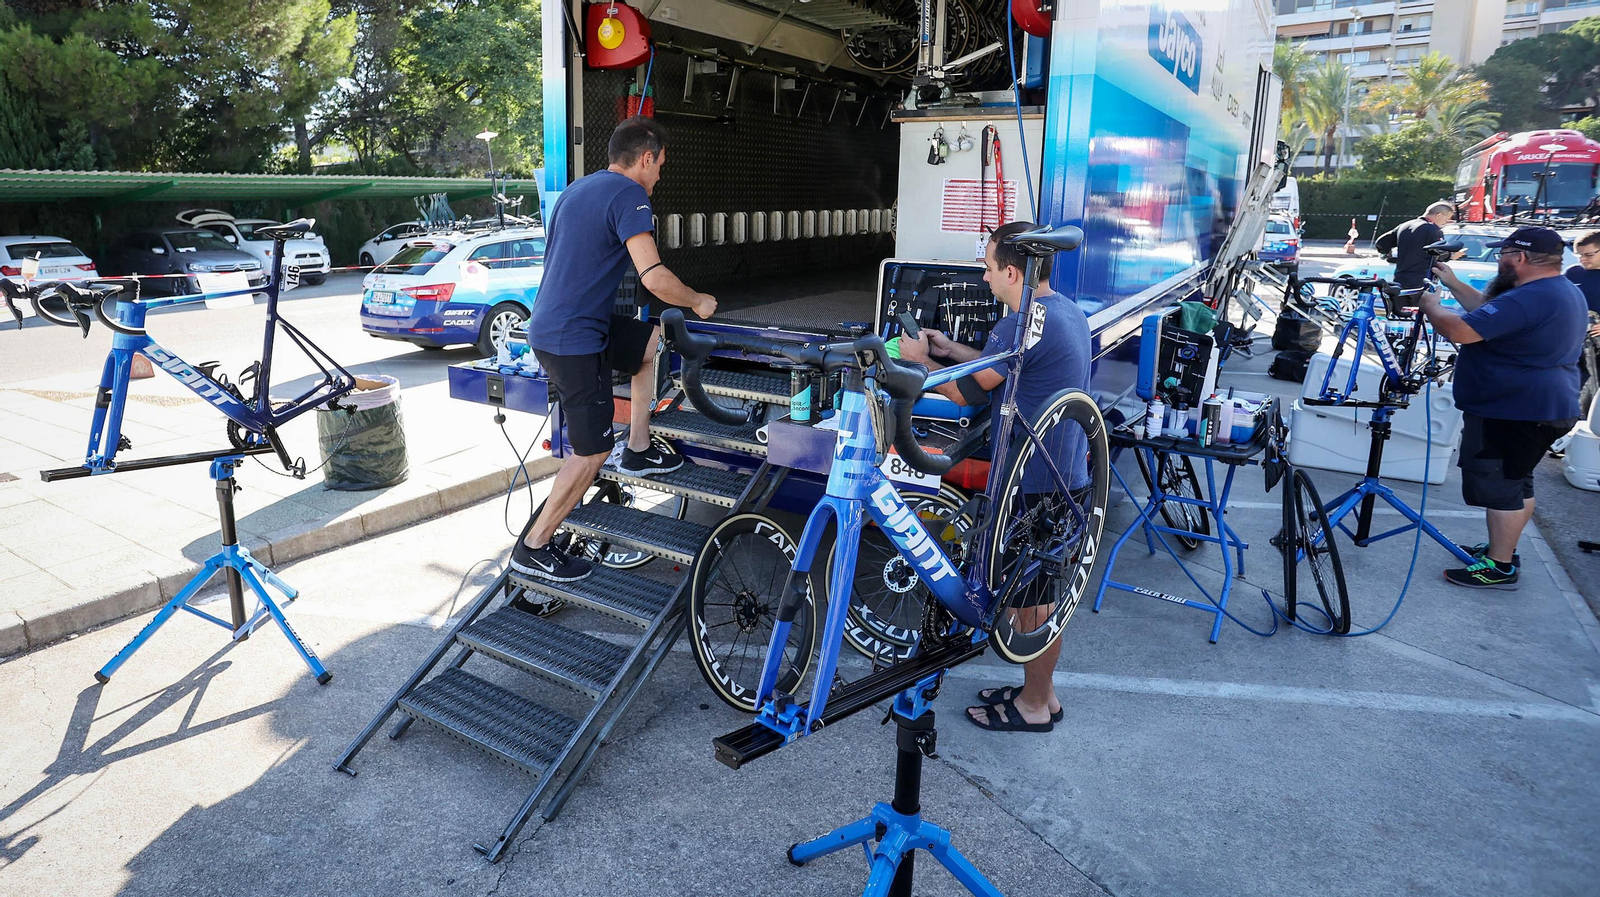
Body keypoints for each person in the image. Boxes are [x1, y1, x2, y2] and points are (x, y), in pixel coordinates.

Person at [898, 220, 1091, 733]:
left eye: (987, 267)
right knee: (1039, 591)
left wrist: (918, 361)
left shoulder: (1018, 324)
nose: (984, 278)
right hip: (1064, 474)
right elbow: (1004, 367)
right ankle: (1041, 695)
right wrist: (947, 348)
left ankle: (1032, 707)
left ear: (1011, 270)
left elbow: (967, 392)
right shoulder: (1063, 312)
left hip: (1032, 482)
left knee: (1034, 603)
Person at [511, 116, 717, 583]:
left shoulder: (579, 190)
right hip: (573, 341)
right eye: (660, 165)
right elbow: (653, 276)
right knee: (590, 453)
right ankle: (535, 545)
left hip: (566, 325)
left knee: (649, 344)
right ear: (646, 158)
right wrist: (698, 301)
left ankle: (640, 446)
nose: (660, 175)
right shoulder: (630, 196)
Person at [1424, 226, 1587, 590]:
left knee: (1500, 486)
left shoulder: (1529, 297)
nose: (1499, 261)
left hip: (1515, 410)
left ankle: (1499, 566)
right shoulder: (1554, 290)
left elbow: (1464, 331)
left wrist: (1432, 307)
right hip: (1540, 406)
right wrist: (1451, 284)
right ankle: (1504, 549)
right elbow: (1488, 313)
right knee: (1517, 482)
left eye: (1503, 254)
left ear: (1521, 258)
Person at [1375, 201, 1454, 312]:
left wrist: (1388, 255)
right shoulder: (1433, 230)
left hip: (1400, 279)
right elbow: (1439, 252)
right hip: (1421, 283)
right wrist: (1452, 255)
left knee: (1398, 318)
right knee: (1418, 319)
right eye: (1447, 218)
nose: (1446, 222)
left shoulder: (1404, 226)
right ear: (1439, 215)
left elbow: (1381, 243)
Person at [1563, 231, 1600, 415]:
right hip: (1574, 348)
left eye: (1588, 255)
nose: (1582, 260)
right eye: (1579, 255)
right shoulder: (1572, 274)